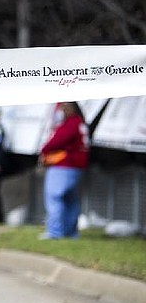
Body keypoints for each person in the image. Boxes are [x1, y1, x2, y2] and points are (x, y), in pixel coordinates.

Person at [39, 102, 90, 239]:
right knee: (70, 200)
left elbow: (56, 141)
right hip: (76, 167)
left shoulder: (71, 123)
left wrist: (44, 149)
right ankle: (71, 233)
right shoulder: (80, 123)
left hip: (64, 166)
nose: (61, 111)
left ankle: (55, 233)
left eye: (63, 108)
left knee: (54, 197)